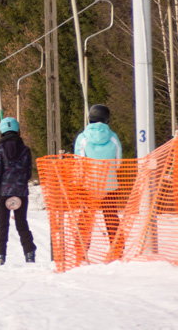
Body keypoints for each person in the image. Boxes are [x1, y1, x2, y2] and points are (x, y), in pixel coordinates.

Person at [74, 104, 123, 257]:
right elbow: (118, 161)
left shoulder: (82, 137)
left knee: (86, 217)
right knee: (111, 216)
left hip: (89, 184)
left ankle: (81, 251)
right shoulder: (113, 137)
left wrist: (80, 179)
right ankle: (117, 249)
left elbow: (79, 161)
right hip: (109, 184)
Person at [0, 117, 36, 266]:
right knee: (22, 224)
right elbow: (28, 173)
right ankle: (29, 253)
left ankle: (0, 256)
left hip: (3, 193)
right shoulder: (25, 150)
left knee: (2, 225)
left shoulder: (0, 150)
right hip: (21, 192)